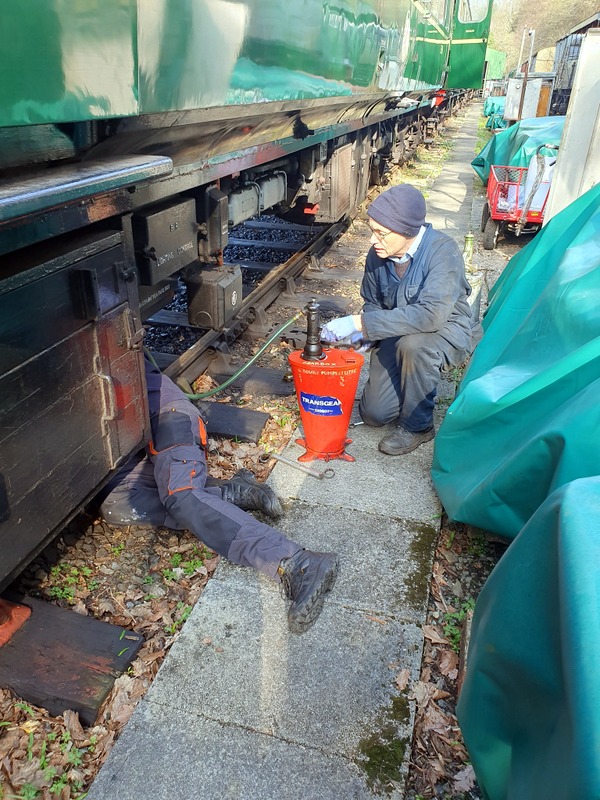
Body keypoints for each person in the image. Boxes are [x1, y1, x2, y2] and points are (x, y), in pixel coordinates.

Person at [99, 356, 339, 635]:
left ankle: (297, 562)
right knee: (116, 504)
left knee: (182, 497)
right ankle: (229, 492)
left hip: (169, 417)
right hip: (131, 442)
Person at [321, 183, 481, 456]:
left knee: (413, 346)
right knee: (374, 414)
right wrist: (366, 336)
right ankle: (409, 383)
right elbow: (373, 300)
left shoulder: (443, 251)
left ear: (407, 231)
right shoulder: (378, 254)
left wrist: (360, 324)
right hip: (398, 330)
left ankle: (418, 426)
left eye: (381, 233)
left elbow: (431, 315)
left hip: (444, 329)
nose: (373, 240)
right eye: (372, 230)